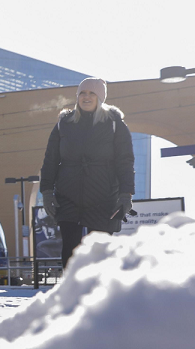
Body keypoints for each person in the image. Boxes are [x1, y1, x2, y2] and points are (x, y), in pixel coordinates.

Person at [39, 78, 135, 268]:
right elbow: (50, 160)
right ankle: (69, 293)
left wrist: (126, 195)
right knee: (69, 252)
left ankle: (100, 295)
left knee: (99, 253)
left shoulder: (115, 124)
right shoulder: (64, 123)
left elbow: (125, 161)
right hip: (68, 196)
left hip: (104, 196)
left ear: (100, 97)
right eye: (83, 93)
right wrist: (47, 192)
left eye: (92, 93)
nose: (86, 97)